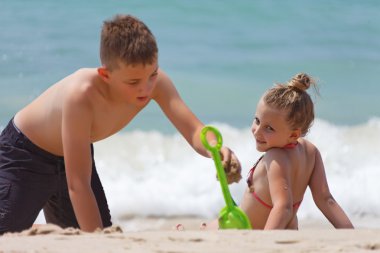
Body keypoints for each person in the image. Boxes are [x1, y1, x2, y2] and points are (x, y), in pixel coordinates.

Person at [0, 14, 241, 234]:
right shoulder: (81, 94)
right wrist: (99, 243)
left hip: (74, 156)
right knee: (7, 236)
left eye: (153, 74)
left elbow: (193, 129)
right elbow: (78, 185)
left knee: (88, 234)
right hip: (24, 157)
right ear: (105, 75)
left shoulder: (156, 84)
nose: (146, 88)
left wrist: (214, 148)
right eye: (134, 81)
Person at [202, 73, 354, 230]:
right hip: (287, 229)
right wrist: (350, 234)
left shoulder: (275, 156)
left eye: (269, 128)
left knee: (205, 230)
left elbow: (283, 207)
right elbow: (326, 199)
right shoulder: (311, 152)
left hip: (245, 227)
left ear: (294, 134)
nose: (257, 131)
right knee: (206, 227)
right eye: (257, 121)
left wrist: (267, 242)